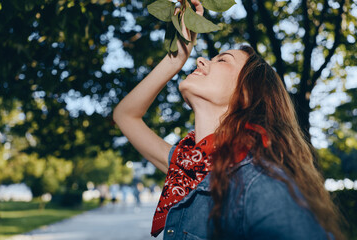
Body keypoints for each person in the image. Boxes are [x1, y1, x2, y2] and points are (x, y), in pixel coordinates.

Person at [113, 0, 344, 239]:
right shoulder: (187, 166)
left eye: (222, 60)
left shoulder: (258, 183)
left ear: (246, 94)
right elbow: (125, 115)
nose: (201, 59)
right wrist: (176, 58)